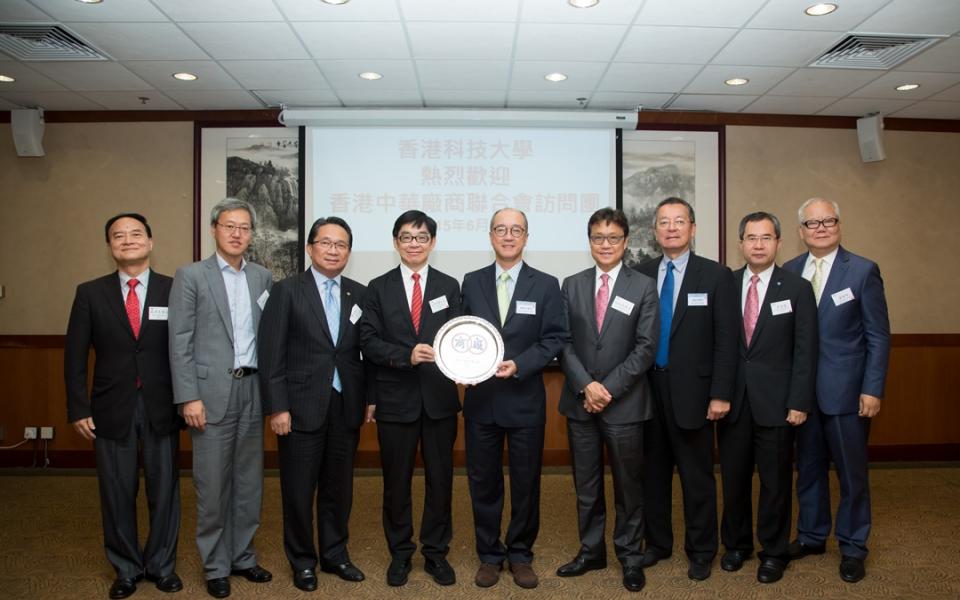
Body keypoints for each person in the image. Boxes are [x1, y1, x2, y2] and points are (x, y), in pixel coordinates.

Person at [65, 213, 183, 599]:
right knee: (117, 490)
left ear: (150, 242)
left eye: (136, 234)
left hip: (163, 403)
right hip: (110, 407)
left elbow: (186, 348)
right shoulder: (90, 293)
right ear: (110, 246)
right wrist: (79, 407)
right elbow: (75, 356)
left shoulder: (174, 289)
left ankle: (162, 566)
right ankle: (127, 568)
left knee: (164, 489)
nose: (127, 240)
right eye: (118, 236)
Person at [258, 217, 370, 592]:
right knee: (298, 488)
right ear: (310, 248)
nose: (333, 250)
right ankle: (303, 560)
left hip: (345, 406)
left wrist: (367, 398)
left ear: (349, 252)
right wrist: (278, 407)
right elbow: (271, 354)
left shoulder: (359, 293)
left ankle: (335, 554)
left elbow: (361, 354)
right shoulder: (287, 291)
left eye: (341, 244)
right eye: (325, 243)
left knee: (339, 487)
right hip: (299, 407)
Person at [168, 198, 274, 598]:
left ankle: (243, 556)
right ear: (214, 229)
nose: (236, 234)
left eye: (244, 227)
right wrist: (188, 397)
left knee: (249, 482)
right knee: (212, 485)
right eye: (229, 226)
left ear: (251, 234)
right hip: (208, 394)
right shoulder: (191, 275)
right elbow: (179, 342)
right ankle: (215, 565)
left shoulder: (262, 277)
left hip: (252, 389)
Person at [460, 208, 567, 590]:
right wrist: (464, 366)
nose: (508, 236)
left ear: (526, 237)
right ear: (490, 236)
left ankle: (520, 553)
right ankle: (489, 554)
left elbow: (554, 339)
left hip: (524, 401)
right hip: (482, 402)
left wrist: (519, 364)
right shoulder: (471, 283)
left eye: (516, 230)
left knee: (526, 483)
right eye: (501, 230)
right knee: (483, 482)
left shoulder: (547, 284)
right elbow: (462, 335)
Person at [784, 197, 890, 583]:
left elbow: (878, 336)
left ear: (839, 225)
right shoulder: (791, 270)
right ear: (801, 232)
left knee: (851, 474)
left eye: (829, 220)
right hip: (802, 396)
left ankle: (853, 545)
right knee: (808, 470)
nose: (821, 227)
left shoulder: (862, 271)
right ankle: (812, 536)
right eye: (813, 223)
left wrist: (872, 388)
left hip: (848, 394)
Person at [634, 197, 738, 581]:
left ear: (693, 228)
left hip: (695, 393)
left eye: (680, 221)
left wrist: (721, 392)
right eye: (664, 222)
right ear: (654, 230)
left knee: (697, 478)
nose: (672, 228)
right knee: (653, 476)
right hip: (647, 391)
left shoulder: (715, 275)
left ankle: (701, 549)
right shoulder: (640, 274)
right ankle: (657, 544)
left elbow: (727, 340)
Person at [557, 208, 659, 593]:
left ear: (626, 242)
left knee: (629, 486)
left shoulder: (643, 286)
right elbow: (562, 342)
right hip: (580, 402)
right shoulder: (572, 284)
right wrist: (586, 385)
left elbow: (646, 347)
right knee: (586, 484)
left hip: (625, 403)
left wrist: (607, 389)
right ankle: (591, 551)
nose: (605, 244)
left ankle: (631, 556)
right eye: (598, 237)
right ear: (589, 241)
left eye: (613, 237)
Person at [359, 210, 462, 587]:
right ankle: (400, 553)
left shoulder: (450, 286)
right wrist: (406, 356)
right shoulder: (378, 287)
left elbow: (460, 337)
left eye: (421, 237)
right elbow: (367, 341)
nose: (414, 244)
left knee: (441, 480)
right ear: (395, 242)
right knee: (396, 483)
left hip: (439, 400)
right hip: (394, 400)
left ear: (433, 242)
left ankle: (436, 553)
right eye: (406, 237)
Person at [717, 212, 817, 583]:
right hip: (732, 402)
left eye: (766, 237)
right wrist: (717, 394)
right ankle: (737, 545)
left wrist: (799, 402)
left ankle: (773, 552)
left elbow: (806, 351)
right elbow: (719, 344)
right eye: (751, 238)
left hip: (778, 403)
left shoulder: (797, 288)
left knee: (775, 483)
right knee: (734, 478)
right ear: (740, 243)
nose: (758, 245)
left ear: (778, 242)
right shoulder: (724, 285)